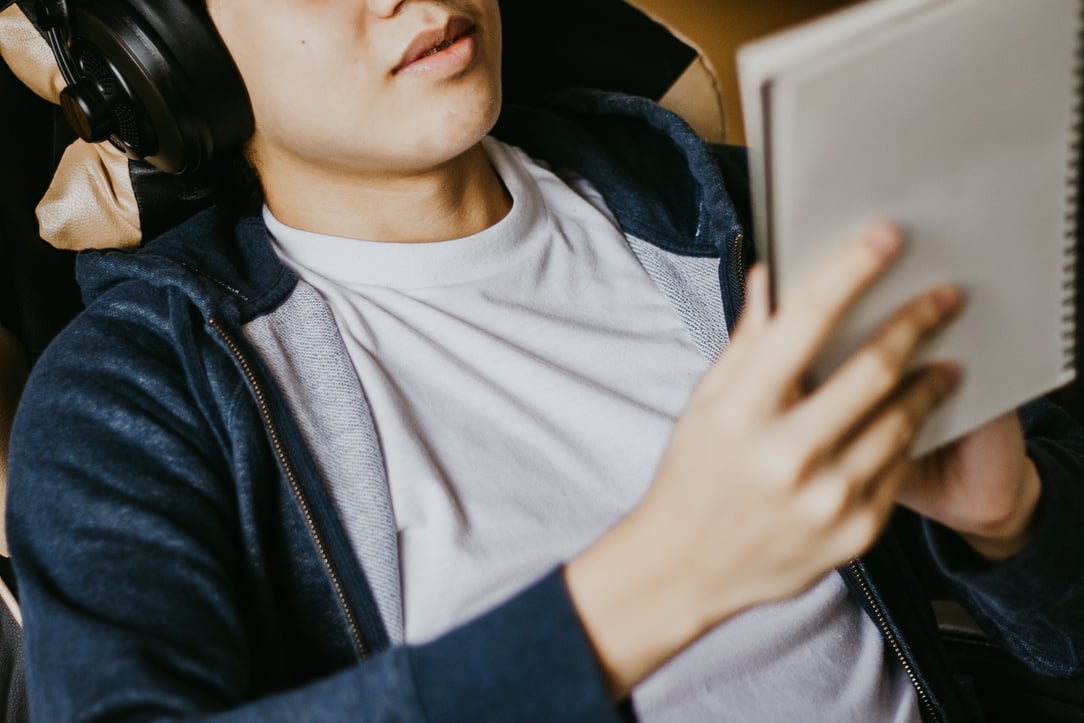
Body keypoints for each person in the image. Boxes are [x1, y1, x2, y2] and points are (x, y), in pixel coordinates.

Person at [7, 0, 1084, 720]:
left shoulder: (751, 203)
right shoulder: (128, 398)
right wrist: (660, 578)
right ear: (173, 52)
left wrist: (1013, 521)